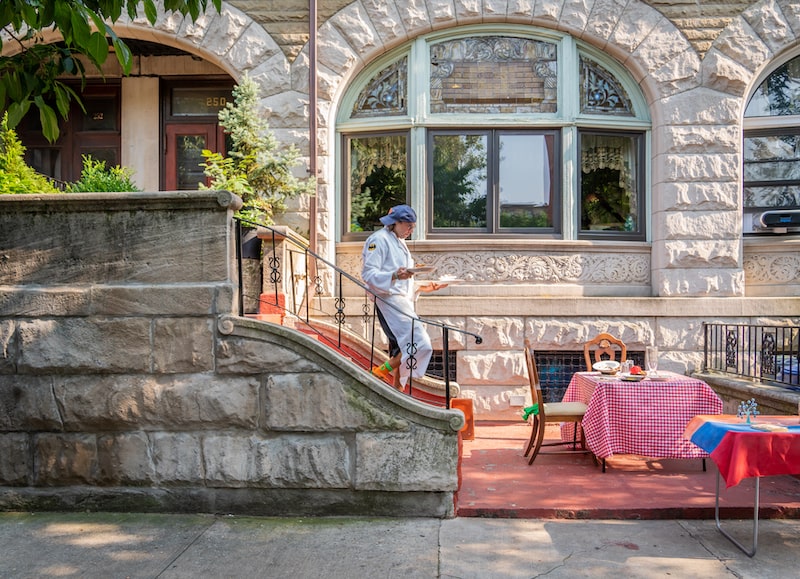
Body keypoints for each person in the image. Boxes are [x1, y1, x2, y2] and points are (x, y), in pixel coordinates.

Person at [361, 204, 446, 389]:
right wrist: (394, 275)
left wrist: (423, 287)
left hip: (400, 300)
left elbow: (401, 279)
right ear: (395, 222)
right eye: (408, 225)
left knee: (403, 348)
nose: (411, 230)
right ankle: (378, 372)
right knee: (420, 343)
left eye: (413, 226)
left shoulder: (398, 240)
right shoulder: (378, 240)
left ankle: (398, 390)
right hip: (389, 300)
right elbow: (368, 274)